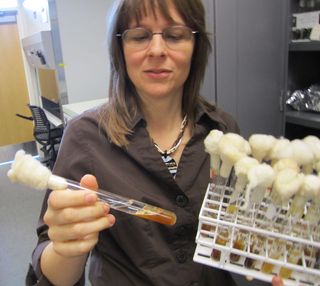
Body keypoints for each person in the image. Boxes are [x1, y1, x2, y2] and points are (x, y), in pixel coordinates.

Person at [27, 0, 284, 285]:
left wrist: (266, 254)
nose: (158, 50)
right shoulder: (86, 137)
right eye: (139, 36)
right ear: (120, 49)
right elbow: (52, 273)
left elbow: (239, 229)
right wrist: (67, 248)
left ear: (195, 47)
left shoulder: (223, 130)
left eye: (175, 36)